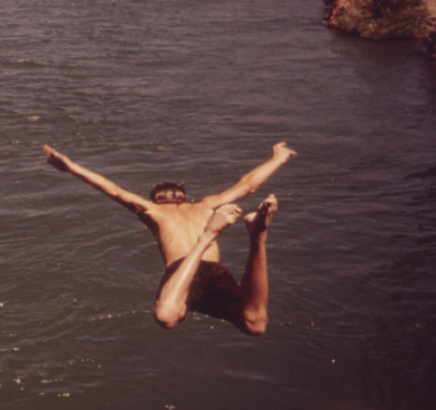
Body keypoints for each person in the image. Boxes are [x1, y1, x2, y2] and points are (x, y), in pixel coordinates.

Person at [42, 142, 296, 335]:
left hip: (182, 270)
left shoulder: (153, 210)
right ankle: (257, 236)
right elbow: (248, 185)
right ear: (184, 197)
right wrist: (278, 159)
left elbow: (115, 191)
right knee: (255, 324)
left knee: (167, 317)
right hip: (215, 271)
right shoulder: (206, 206)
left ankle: (209, 237)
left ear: (154, 199)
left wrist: (71, 167)